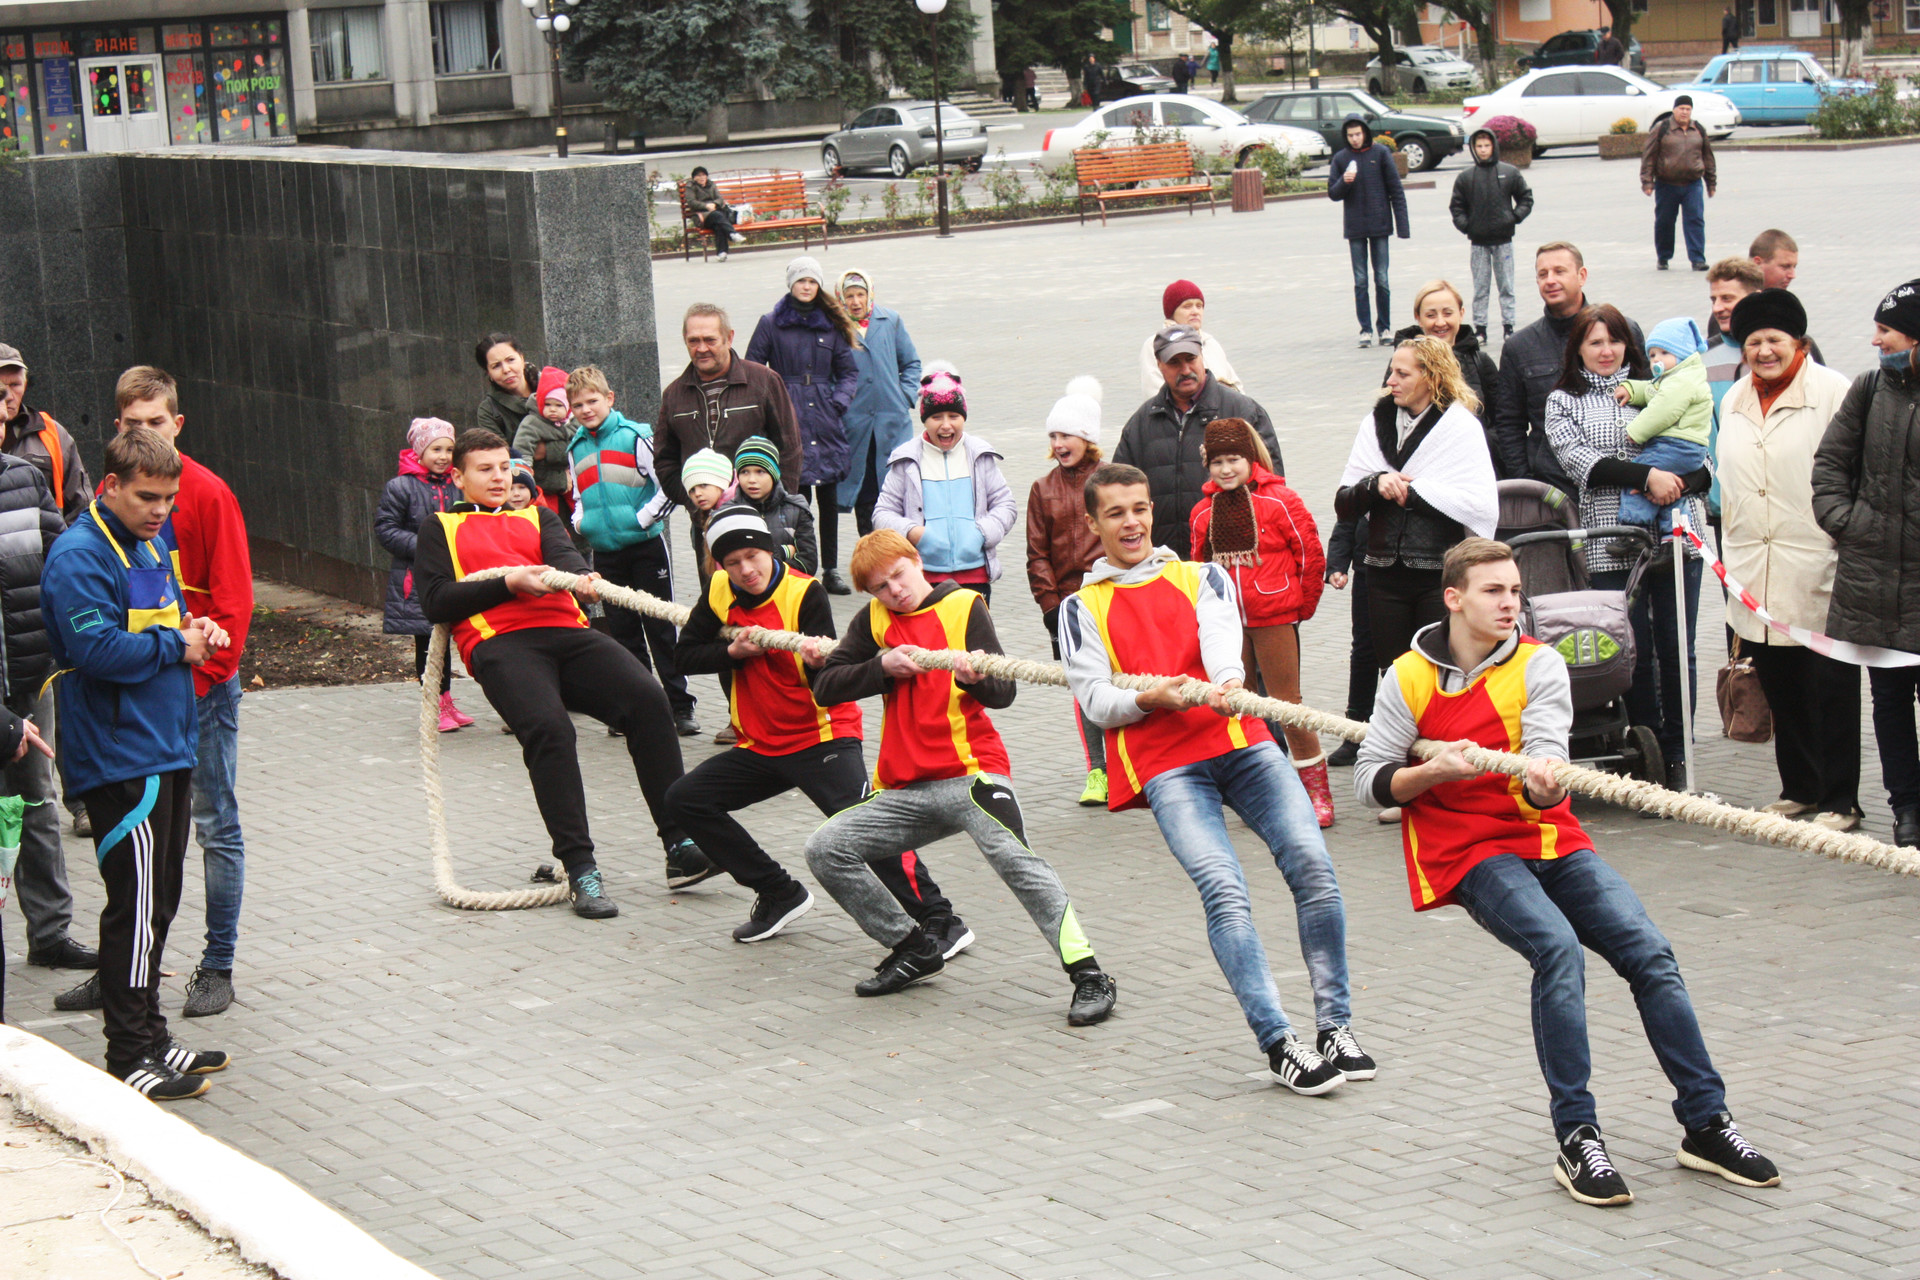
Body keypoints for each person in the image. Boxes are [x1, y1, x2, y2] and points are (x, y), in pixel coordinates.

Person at [1353, 536, 1780, 1206]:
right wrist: (1433, 770)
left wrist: (1550, 785)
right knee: (1556, 952)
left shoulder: (1539, 665)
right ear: (1453, 597)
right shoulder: (1407, 676)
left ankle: (1707, 1123)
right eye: (1494, 591)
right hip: (1466, 849)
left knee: (1651, 955)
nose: (1510, 604)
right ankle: (1578, 1138)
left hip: (1547, 834)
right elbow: (1371, 785)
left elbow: (1548, 763)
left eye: (1517, 591)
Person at [1062, 464, 1370, 1093]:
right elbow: (1095, 700)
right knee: (1223, 889)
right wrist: (1151, 700)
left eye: (1141, 508)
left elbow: (1223, 644)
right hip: (1167, 767)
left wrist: (1228, 683)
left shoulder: (1202, 575)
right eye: (1116, 512)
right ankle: (1278, 1043)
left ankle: (1335, 1026)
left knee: (1313, 865)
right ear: (1092, 523)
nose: (1132, 523)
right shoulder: (1079, 607)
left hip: (1242, 744)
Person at [802, 531, 1118, 1022]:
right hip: (904, 789)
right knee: (824, 848)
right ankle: (915, 947)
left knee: (1018, 862)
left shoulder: (965, 606)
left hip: (973, 776)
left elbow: (1004, 692)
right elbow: (825, 687)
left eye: (900, 576)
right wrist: (880, 667)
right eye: (882, 587)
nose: (896, 591)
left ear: (916, 562)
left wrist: (977, 679)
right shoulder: (873, 621)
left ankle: (1089, 974)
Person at [416, 428, 713, 913]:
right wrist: (510, 581)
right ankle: (581, 868)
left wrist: (583, 579)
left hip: (568, 635)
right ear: (457, 477)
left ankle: (679, 845)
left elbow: (566, 559)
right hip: (500, 644)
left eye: (504, 468)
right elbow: (435, 602)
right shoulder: (439, 528)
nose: (498, 478)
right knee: (551, 730)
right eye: (484, 469)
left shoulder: (538, 515)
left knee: (648, 700)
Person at [667, 506, 972, 955]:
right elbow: (685, 656)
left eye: (753, 555)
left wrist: (815, 663)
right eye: (732, 562)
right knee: (685, 800)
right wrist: (732, 652)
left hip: (822, 737)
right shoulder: (718, 590)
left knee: (861, 828)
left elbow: (830, 684)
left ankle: (940, 918)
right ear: (718, 566)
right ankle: (778, 892)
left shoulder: (805, 593)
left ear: (771, 549)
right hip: (761, 744)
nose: (745, 569)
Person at [42, 427, 230, 1100]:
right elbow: (97, 653)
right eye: (147, 497)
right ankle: (128, 1055)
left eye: (169, 500)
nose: (160, 511)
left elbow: (161, 625)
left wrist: (198, 633)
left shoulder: (146, 539)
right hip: (122, 756)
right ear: (110, 486)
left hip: (165, 744)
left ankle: (152, 1037)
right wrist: (178, 648)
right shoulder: (78, 555)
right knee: (136, 905)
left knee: (160, 900)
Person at [100, 372, 256, 1021]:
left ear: (177, 424)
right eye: (133, 425)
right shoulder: (115, 497)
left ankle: (217, 965)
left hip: (200, 690)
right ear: (118, 429)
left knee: (213, 825)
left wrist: (198, 675)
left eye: (156, 423)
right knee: (143, 833)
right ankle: (133, 970)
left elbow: (235, 602)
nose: (145, 434)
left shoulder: (210, 493)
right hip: (144, 690)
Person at [1545, 305, 1709, 790]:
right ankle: (1646, 748)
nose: (1606, 351)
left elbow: (1703, 455)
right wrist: (1647, 476)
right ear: (1577, 347)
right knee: (1631, 648)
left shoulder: (1663, 383)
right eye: (1595, 342)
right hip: (1609, 542)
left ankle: (1679, 752)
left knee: (1679, 647)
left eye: (1614, 341)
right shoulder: (1563, 401)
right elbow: (1582, 464)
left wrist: (1676, 482)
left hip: (1677, 531)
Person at [1717, 289, 1859, 831]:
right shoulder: (1734, 399)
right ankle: (1799, 786)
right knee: (1778, 679)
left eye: (1774, 340)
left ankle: (1842, 798)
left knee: (1829, 684)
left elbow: (1852, 472)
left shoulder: (1832, 392)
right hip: (1755, 565)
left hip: (1816, 559)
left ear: (1797, 342)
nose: (1764, 351)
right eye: (1753, 342)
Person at [1811, 279, 1920, 848]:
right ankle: (1907, 809)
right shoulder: (1871, 388)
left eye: (1886, 329)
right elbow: (1831, 462)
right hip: (1874, 578)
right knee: (1890, 704)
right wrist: (1847, 522)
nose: (1875, 339)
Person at [0, 344, 96, 983]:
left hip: (26, 674)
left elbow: (56, 568)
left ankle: (51, 932)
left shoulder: (26, 476)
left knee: (34, 799)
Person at [1190, 419, 1333, 826]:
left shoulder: (1280, 500)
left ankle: (1317, 793)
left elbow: (1309, 554)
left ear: (1250, 458)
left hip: (1274, 616)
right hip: (1230, 624)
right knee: (1242, 707)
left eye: (1233, 459)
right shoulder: (1203, 512)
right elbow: (1199, 568)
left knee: (1288, 706)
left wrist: (1299, 607)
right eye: (1216, 461)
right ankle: (1262, 789)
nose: (1225, 469)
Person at [1336, 334, 1499, 688]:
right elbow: (1343, 502)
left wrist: (1414, 492)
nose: (1390, 381)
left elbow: (1479, 504)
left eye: (1402, 374)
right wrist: (1375, 484)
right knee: (1394, 674)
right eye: (1392, 371)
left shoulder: (1461, 427)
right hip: (1381, 570)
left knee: (1440, 671)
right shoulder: (1374, 423)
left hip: (1437, 573)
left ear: (1431, 377)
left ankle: (1439, 742)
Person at [565, 365, 699, 738]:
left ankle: (680, 706)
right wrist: (582, 522)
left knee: (660, 628)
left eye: (592, 401)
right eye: (578, 405)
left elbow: (668, 485)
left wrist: (641, 520)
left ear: (609, 398)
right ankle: (637, 706)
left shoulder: (635, 436)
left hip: (645, 549)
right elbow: (577, 495)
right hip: (606, 554)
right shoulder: (575, 447)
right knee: (623, 635)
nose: (586, 409)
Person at [1115, 326, 1281, 559]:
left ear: (1202, 357)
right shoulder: (1141, 422)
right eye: (1174, 363)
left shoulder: (1242, 411)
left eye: (1191, 359)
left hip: (1232, 561)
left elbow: (1273, 485)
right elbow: (1118, 492)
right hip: (1162, 562)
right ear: (1159, 366)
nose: (1185, 369)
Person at [658, 303, 804, 570]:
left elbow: (790, 449)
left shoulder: (763, 381)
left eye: (710, 339)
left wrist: (777, 508)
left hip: (762, 520)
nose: (701, 348)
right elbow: (664, 460)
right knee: (718, 601)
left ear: (729, 337)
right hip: (707, 523)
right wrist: (694, 500)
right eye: (693, 341)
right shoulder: (674, 394)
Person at [1492, 242, 1646, 494]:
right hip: (1553, 486)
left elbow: (1651, 395)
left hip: (1622, 480)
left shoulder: (1624, 331)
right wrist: (1526, 484)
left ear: (1581, 276)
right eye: (1543, 274)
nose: (1550, 280)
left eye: (1559, 271)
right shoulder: (1520, 346)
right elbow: (1509, 423)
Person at [748, 257, 861, 594]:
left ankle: (831, 569)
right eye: (801, 281)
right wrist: (773, 408)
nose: (807, 287)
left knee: (828, 499)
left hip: (824, 419)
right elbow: (753, 368)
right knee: (794, 499)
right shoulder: (771, 323)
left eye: (812, 281)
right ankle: (796, 567)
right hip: (788, 418)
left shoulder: (831, 323)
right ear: (791, 285)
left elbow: (849, 371)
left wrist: (838, 401)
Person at [1027, 377, 1110, 807]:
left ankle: (1135, 764)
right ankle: (1098, 770)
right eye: (1054, 436)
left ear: (1088, 438)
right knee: (1086, 688)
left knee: (1126, 682)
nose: (1059, 443)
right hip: (1068, 606)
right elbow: (1037, 554)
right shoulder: (1043, 489)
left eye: (1067, 435)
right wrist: (1050, 606)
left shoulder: (1111, 480)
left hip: (1111, 598)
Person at [872, 365, 1016, 603]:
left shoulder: (980, 456)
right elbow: (882, 514)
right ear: (924, 420)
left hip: (975, 576)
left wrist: (981, 533)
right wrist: (914, 533)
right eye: (936, 417)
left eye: (954, 416)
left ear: (964, 418)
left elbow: (1006, 506)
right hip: (923, 577)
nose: (946, 425)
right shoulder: (906, 460)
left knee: (971, 640)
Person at [379, 417, 469, 732]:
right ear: (420, 451)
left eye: (449, 449)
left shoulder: (459, 484)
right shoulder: (401, 487)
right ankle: (433, 704)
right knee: (429, 644)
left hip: (455, 574)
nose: (444, 456)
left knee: (447, 642)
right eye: (436, 449)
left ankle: (446, 700)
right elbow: (386, 529)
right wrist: (426, 546)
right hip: (416, 580)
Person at [835, 270, 921, 540]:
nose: (856, 301)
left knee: (899, 488)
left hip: (891, 423)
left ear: (870, 294)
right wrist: (839, 407)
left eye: (860, 294)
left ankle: (902, 551)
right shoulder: (834, 327)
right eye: (849, 296)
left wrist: (904, 396)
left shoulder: (890, 320)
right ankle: (872, 551)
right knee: (865, 491)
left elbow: (911, 364)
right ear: (841, 298)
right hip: (856, 426)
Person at [1385, 281, 1504, 470]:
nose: (1440, 322)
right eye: (1431, 315)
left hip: (1475, 469)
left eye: (1448, 313)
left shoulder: (1480, 363)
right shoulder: (1401, 365)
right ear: (1418, 318)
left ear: (1461, 314)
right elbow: (1385, 425)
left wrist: (1482, 443)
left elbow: (1504, 422)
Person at [1614, 317, 1714, 532]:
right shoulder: (1677, 378)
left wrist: (1637, 431)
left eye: (1664, 353)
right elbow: (1652, 391)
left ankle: (1633, 527)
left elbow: (1663, 410)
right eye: (1652, 355)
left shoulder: (1681, 382)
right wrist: (1632, 389)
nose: (1656, 360)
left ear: (1683, 354)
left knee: (1641, 472)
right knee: (1673, 491)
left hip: (1676, 445)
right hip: (1689, 448)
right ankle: (1675, 535)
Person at [1329, 114, 1411, 348]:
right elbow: (1333, 193)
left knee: (1382, 278)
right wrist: (1345, 180)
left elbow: (1396, 189)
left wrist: (1402, 226)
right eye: (1350, 135)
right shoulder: (1341, 158)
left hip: (1380, 225)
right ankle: (1365, 329)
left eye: (1358, 134)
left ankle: (1384, 327)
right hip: (1355, 227)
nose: (1355, 139)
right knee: (1360, 280)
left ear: (1365, 133)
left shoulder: (1380, 153)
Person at [1449, 129, 1534, 343]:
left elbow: (1525, 197)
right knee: (1480, 286)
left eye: (1487, 146)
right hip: (1478, 242)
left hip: (1503, 240)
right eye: (1479, 146)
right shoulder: (1466, 177)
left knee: (1506, 285)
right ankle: (1480, 328)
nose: (1483, 150)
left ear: (1494, 146)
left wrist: (1513, 218)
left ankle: (1509, 326)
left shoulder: (1509, 172)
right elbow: (1456, 206)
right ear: (1474, 149)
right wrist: (1467, 226)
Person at [0, 343, 91, 524]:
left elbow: (81, 506)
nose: (9, 395)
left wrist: (65, 548)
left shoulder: (52, 432)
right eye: (1, 387)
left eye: (15, 385)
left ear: (25, 384)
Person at [1322, 513, 1375, 769]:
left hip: (1417, 573)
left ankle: (1406, 735)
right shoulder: (1363, 474)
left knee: (1405, 658)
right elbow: (1346, 520)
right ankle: (1356, 731)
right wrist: (1337, 565)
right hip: (1368, 572)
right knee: (1364, 653)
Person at [1640, 97, 1716, 273]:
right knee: (1665, 222)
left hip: (1693, 184)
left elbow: (1708, 158)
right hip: (1667, 184)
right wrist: (1647, 181)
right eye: (1681, 108)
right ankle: (1664, 256)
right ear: (1674, 110)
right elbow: (1649, 156)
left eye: (1688, 109)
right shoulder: (1662, 129)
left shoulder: (1698, 130)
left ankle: (1697, 259)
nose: (1684, 112)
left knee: (1695, 220)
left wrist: (1711, 183)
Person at [1137, 280, 1243, 399]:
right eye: (1187, 306)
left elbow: (1237, 388)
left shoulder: (1211, 343)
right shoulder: (1155, 345)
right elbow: (1154, 392)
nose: (1195, 312)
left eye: (1199, 306)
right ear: (1172, 313)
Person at [733, 436, 817, 574]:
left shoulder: (796, 510)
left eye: (760, 471)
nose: (751, 480)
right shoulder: (730, 512)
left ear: (774, 474)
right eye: (744, 472)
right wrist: (783, 552)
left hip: (788, 592)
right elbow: (730, 565)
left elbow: (808, 564)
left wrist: (762, 566)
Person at [513, 366, 574, 523]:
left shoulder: (574, 421)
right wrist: (526, 474)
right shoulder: (532, 423)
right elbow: (522, 449)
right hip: (544, 479)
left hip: (572, 477)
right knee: (547, 514)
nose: (552, 410)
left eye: (559, 405)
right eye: (547, 404)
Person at [474, 333, 536, 439]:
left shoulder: (553, 386)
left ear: (522, 358)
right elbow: (498, 452)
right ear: (489, 373)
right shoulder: (488, 411)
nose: (506, 370)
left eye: (511, 360)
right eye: (496, 366)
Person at [686, 166, 745, 259]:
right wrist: (706, 206)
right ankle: (732, 233)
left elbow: (720, 198)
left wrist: (714, 204)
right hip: (702, 216)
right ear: (694, 178)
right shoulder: (691, 187)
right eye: (699, 175)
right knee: (718, 216)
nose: (702, 177)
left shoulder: (711, 184)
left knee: (719, 225)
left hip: (715, 213)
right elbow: (691, 202)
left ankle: (722, 253)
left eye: (704, 175)